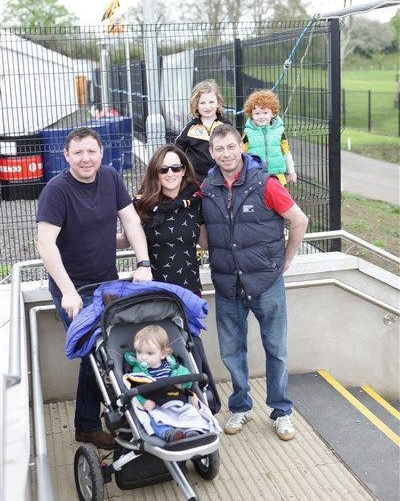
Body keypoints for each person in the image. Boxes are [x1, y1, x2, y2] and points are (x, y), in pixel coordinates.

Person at [36, 126, 152, 450]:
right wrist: (68, 291)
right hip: (73, 289)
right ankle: (87, 425)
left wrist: (143, 264)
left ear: (101, 153)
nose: (85, 158)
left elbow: (131, 221)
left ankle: (125, 411)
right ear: (66, 156)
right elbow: (45, 245)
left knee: (118, 347)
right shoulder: (56, 191)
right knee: (94, 352)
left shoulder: (111, 177)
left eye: (91, 151)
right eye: (78, 152)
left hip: (107, 283)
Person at [201, 124, 308, 440]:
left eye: (231, 147)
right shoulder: (207, 188)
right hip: (228, 285)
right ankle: (240, 406)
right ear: (212, 153)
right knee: (231, 351)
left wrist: (287, 259)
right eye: (219, 149)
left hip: (266, 283)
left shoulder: (266, 183)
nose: (226, 154)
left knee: (276, 349)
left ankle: (281, 411)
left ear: (241, 147)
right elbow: (205, 237)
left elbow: (299, 220)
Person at [117, 144, 221, 413]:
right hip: (155, 290)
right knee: (157, 349)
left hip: (188, 289)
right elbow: (126, 240)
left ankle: (199, 403)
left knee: (190, 346)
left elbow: (207, 242)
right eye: (164, 169)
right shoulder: (142, 205)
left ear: (184, 170)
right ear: (155, 172)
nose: (170, 174)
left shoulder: (196, 202)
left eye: (176, 167)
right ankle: (156, 405)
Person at [124, 325, 216, 442]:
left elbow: (187, 377)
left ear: (163, 354)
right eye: (138, 352)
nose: (143, 357)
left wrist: (182, 384)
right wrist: (143, 401)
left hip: (177, 401)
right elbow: (134, 389)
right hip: (156, 405)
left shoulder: (172, 365)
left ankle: (192, 431)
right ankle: (169, 433)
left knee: (190, 412)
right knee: (154, 420)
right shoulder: (138, 371)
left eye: (149, 353)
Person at [175, 79, 231, 182]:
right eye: (202, 103)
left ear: (218, 102)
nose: (207, 107)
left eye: (211, 102)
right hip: (195, 180)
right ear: (196, 105)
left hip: (221, 178)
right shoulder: (190, 127)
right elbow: (178, 148)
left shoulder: (226, 125)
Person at [242, 89, 297, 186]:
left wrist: (291, 172)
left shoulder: (279, 132)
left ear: (272, 113)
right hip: (255, 178)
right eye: (257, 113)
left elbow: (286, 153)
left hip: (277, 178)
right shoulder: (248, 133)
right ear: (251, 114)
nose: (261, 117)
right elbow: (241, 154)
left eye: (265, 113)